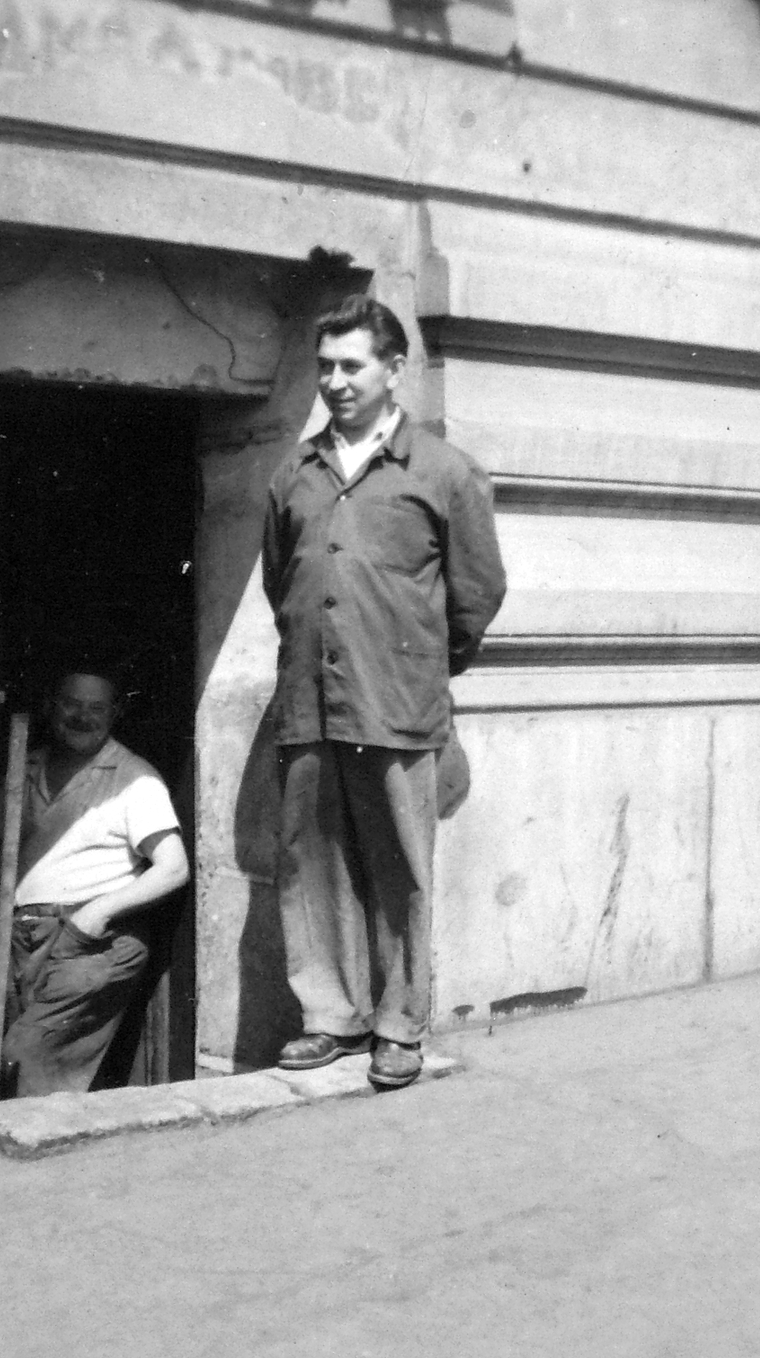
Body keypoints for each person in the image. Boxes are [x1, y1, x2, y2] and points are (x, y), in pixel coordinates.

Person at [262, 295, 507, 1088]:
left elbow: (477, 593)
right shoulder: (293, 474)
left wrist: (415, 665)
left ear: (394, 370)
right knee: (312, 862)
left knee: (401, 869)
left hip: (396, 704)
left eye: (351, 365)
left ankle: (400, 1025)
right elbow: (283, 585)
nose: (334, 381)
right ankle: (329, 1016)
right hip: (310, 701)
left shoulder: (442, 470)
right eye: (324, 366)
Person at [3, 666, 189, 1097]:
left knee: (21, 1053)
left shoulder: (133, 777)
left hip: (92, 942)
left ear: (115, 713)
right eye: (71, 704)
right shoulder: (25, 766)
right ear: (52, 706)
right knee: (14, 1063)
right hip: (19, 938)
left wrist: (94, 914)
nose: (82, 717)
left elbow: (173, 868)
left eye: (96, 708)